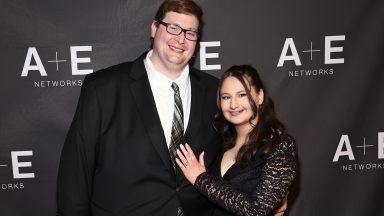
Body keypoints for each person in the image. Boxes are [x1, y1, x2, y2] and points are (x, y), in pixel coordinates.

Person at [56, 0, 288, 215]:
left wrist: (275, 189)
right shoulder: (103, 88)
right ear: (154, 28)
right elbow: (75, 175)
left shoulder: (214, 91)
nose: (181, 39)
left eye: (190, 32)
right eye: (173, 27)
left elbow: (243, 145)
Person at [176, 65, 298, 216]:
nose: (233, 105)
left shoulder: (280, 146)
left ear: (260, 96)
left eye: (242, 95)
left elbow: (256, 209)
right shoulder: (218, 141)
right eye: (226, 97)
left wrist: (201, 179)